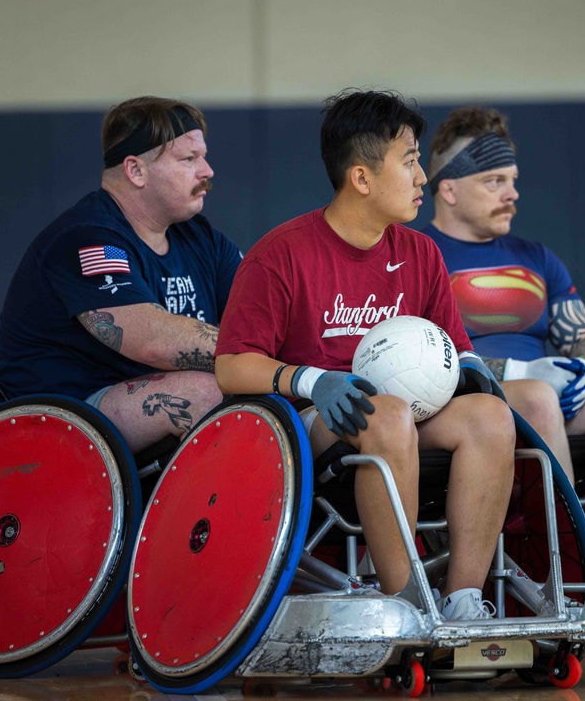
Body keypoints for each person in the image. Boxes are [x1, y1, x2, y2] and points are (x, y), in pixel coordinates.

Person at [214, 90, 515, 620]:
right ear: (362, 178)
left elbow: (457, 348)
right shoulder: (279, 254)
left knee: (491, 416)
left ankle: (464, 601)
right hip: (308, 422)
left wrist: (470, 374)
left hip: (405, 417)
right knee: (387, 412)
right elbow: (232, 365)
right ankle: (408, 606)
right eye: (411, 162)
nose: (422, 177)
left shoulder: (421, 252)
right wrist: (313, 382)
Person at [422, 106, 585, 585]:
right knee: (536, 397)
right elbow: (423, 360)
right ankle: (570, 570)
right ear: (448, 189)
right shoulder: (416, 254)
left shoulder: (537, 258)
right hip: (471, 401)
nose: (513, 194)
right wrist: (518, 372)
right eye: (494, 181)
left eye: (512, 179)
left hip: (549, 396)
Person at [0, 96, 243, 453]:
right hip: (55, 420)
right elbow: (150, 338)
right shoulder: (89, 237)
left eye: (202, 156)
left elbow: (257, 310)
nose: (207, 171)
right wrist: (257, 358)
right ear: (136, 171)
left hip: (129, 401)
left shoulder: (200, 237)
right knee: (205, 392)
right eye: (189, 159)